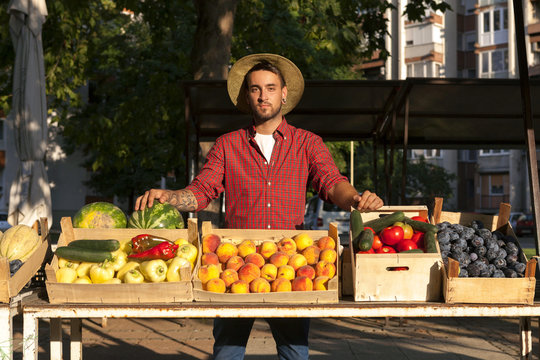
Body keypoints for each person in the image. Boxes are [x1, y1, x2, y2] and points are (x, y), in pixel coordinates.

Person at [136, 53, 384, 360]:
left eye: (270, 87)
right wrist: (172, 197)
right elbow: (202, 190)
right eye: (255, 89)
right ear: (247, 96)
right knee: (226, 352)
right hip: (233, 262)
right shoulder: (228, 144)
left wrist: (356, 200)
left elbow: (332, 183)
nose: (262, 95)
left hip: (292, 263)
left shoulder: (307, 143)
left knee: (294, 352)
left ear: (283, 94)